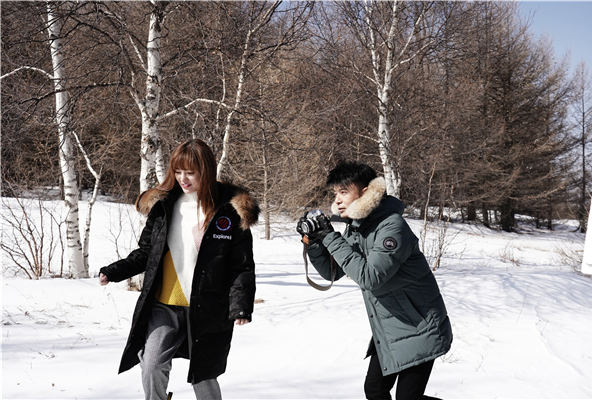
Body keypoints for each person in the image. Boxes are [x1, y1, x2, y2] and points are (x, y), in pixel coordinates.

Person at [99, 139, 259, 400]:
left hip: (208, 307)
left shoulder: (229, 211)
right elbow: (146, 252)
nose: (183, 179)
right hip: (165, 304)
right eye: (178, 171)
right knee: (151, 366)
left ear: (206, 171)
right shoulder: (164, 206)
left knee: (203, 376)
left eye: (190, 173)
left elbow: (241, 265)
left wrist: (240, 305)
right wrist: (115, 271)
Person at [296, 161, 452, 400]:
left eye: (344, 192)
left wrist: (330, 237)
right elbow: (332, 272)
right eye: (335, 193)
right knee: (375, 390)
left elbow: (370, 277)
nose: (338, 200)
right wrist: (316, 242)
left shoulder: (392, 227)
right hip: (391, 327)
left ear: (366, 192)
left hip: (421, 326)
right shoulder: (358, 228)